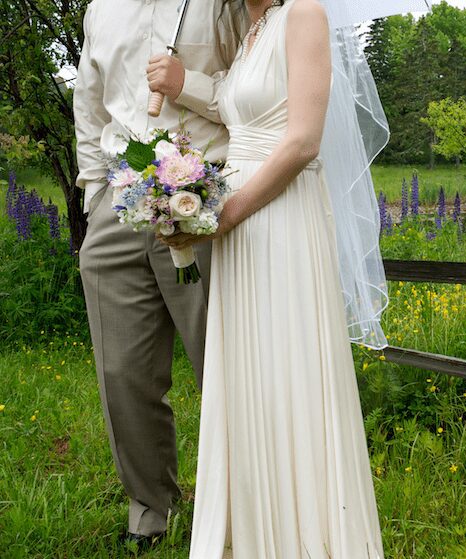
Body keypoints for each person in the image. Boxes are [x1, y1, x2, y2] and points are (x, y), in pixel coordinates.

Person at [156, 0, 392, 555]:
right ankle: (253, 528)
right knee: (249, 368)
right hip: (239, 224)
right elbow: (233, 106)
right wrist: (179, 82)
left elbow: (302, 141)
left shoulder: (304, 14)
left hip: (280, 214)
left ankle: (305, 533)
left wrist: (228, 212)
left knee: (289, 362)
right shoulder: (251, 31)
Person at [73, 0, 246, 549]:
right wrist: (95, 194)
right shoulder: (101, 9)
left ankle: (243, 508)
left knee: (221, 365)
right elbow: (90, 103)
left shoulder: (225, 3)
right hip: (119, 203)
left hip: (206, 204)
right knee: (123, 374)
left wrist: (185, 83)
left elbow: (258, 93)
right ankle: (148, 509)